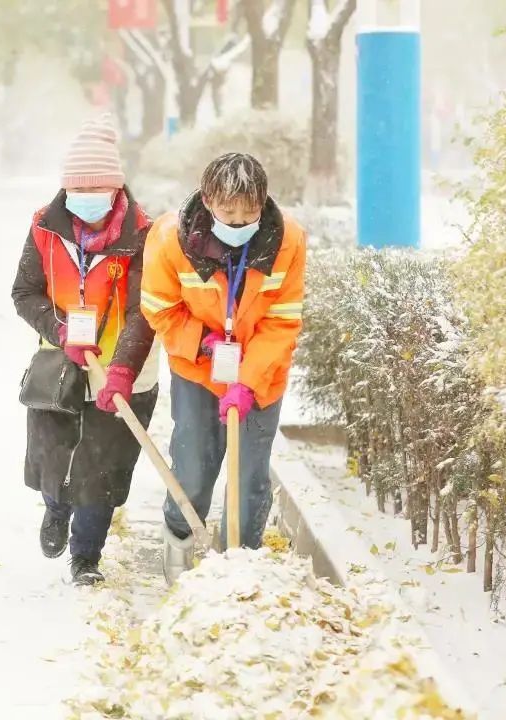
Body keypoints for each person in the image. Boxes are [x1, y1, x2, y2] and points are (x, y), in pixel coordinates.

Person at [140, 153, 306, 584]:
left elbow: (282, 320)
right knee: (194, 464)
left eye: (248, 213)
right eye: (227, 212)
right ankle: (179, 540)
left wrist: (248, 381)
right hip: (197, 368)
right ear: (208, 199)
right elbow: (159, 307)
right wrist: (202, 341)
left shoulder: (287, 241)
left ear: (264, 202)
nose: (237, 222)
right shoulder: (169, 239)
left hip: (260, 373)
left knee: (251, 475)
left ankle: (239, 562)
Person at [11, 114, 158, 586]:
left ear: (117, 191)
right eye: (79, 191)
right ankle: (55, 508)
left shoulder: (142, 236)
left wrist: (120, 369)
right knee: (54, 452)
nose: (87, 202)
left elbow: (143, 309)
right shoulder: (44, 228)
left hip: (123, 364)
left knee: (102, 464)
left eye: (98, 192)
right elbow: (24, 292)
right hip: (61, 362)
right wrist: (60, 331)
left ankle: (87, 556)